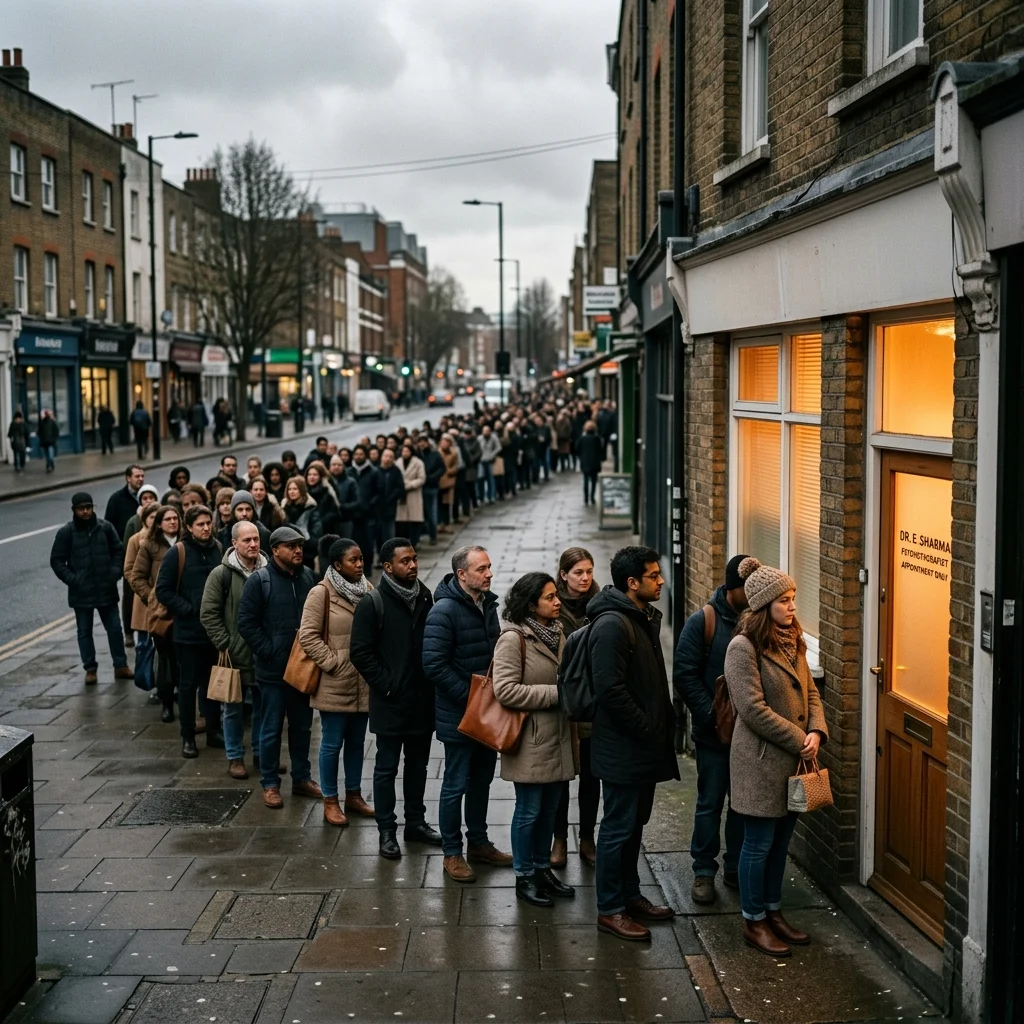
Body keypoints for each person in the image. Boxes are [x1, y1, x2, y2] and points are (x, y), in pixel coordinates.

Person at [724, 558, 828, 956]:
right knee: (758, 844)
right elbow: (751, 708)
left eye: (793, 599)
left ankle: (773, 910)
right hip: (761, 763)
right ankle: (753, 921)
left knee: (781, 843)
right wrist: (799, 737)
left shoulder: (794, 639)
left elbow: (811, 692)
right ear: (764, 605)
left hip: (795, 761)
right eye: (784, 601)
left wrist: (817, 730)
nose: (791, 607)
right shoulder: (742, 647)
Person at [588, 546, 678, 942]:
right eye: (654, 575)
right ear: (632, 583)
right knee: (617, 827)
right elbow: (609, 690)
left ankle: (629, 894)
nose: (661, 581)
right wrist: (645, 727)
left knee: (634, 824)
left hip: (642, 745)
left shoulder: (639, 617)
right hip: (624, 746)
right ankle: (610, 908)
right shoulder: (613, 624)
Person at [423, 545, 511, 882]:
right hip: (460, 717)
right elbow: (433, 665)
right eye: (482, 569)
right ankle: (451, 852)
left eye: (489, 567)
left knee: (482, 781)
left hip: (486, 713)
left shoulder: (487, 605)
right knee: (455, 784)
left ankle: (478, 842)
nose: (489, 574)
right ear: (462, 575)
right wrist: (471, 699)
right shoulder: (443, 612)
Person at [350, 537, 442, 859]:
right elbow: (360, 653)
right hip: (390, 703)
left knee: (418, 767)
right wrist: (387, 686)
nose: (413, 565)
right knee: (386, 769)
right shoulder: (371, 603)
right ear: (388, 567)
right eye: (405, 561)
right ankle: (387, 831)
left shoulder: (425, 596)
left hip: (421, 702)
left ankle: (415, 823)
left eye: (414, 559)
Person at [493, 572, 575, 907]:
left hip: (558, 738)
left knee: (551, 809)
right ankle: (524, 875)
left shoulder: (558, 633)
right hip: (530, 739)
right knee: (529, 810)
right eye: (550, 597)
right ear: (531, 604)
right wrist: (557, 694)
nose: (558, 602)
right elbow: (505, 690)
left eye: (557, 596)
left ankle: (542, 870)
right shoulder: (514, 639)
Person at [674, 553, 750, 905]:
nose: (753, 596)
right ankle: (704, 871)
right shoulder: (703, 621)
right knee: (709, 804)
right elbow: (685, 674)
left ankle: (734, 866)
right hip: (713, 736)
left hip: (749, 737)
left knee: (743, 805)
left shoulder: (758, 620)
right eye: (746, 590)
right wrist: (711, 715)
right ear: (731, 589)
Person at [237, 526, 323, 809]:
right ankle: (270, 784)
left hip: (303, 668)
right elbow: (246, 623)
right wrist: (269, 651)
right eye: (291, 546)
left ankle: (301, 778)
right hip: (273, 672)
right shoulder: (259, 581)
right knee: (271, 728)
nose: (298, 550)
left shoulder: (308, 576)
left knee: (302, 727)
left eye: (300, 545)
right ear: (275, 550)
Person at [298, 538, 375, 826]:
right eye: (353, 561)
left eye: (361, 560)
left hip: (362, 683)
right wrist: (334, 663)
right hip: (335, 682)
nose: (359, 565)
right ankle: (330, 800)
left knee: (356, 742)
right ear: (336, 565)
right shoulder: (321, 593)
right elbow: (308, 636)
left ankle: (353, 796)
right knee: (331, 743)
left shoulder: (367, 589)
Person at [156, 503, 224, 758]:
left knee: (212, 685)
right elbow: (163, 590)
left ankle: (213, 730)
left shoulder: (218, 549)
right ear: (189, 527)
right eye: (200, 524)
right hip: (187, 633)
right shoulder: (178, 552)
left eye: (209, 523)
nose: (206, 528)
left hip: (214, 632)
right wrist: (188, 609)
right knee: (187, 686)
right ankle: (188, 736)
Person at [200, 520, 267, 780]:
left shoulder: (269, 569)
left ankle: (262, 756)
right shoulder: (221, 574)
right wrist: (225, 643)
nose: (253, 544)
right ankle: (235, 757)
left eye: (256, 539)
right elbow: (208, 613)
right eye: (247, 540)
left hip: (264, 654)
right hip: (234, 655)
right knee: (233, 710)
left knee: (264, 709)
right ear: (234, 543)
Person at [551, 547, 601, 869]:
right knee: (560, 776)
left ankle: (586, 837)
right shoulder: (552, 606)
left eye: (589, 571)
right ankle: (558, 839)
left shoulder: (601, 605)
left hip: (594, 702)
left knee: (591, 776)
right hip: (565, 702)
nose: (585, 578)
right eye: (578, 572)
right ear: (563, 575)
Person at [49, 492, 132, 686]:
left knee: (114, 628)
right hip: (81, 591)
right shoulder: (66, 532)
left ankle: (120, 665)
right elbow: (57, 561)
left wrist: (114, 574)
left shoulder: (105, 528)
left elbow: (119, 551)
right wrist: (73, 580)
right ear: (74, 510)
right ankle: (90, 669)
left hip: (106, 588)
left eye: (88, 507)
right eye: (81, 508)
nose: (85, 511)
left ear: (93, 507)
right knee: (84, 631)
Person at [130, 504, 181, 722]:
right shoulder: (149, 545)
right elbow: (136, 576)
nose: (172, 522)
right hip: (161, 612)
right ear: (159, 524)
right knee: (165, 660)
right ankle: (166, 702)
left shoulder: (185, 543)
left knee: (184, 659)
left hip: (184, 609)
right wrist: (152, 597)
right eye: (167, 519)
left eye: (175, 518)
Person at [106, 464, 146, 648]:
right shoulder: (116, 499)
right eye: (137, 476)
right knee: (129, 596)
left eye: (142, 476)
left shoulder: (146, 497)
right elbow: (109, 528)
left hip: (146, 555)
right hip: (127, 554)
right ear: (127, 478)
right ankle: (129, 632)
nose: (140, 479)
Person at [281, 476, 323, 569]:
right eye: (289, 489)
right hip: (287, 553)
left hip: (306, 553)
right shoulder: (284, 508)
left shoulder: (311, 508)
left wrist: (304, 546)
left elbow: (316, 532)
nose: (291, 491)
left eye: (295, 489)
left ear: (301, 490)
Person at [395, 442, 426, 549]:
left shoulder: (418, 463)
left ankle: (415, 541)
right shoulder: (397, 462)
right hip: (402, 495)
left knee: (414, 519)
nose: (405, 453)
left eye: (407, 451)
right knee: (402, 521)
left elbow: (421, 478)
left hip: (413, 493)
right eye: (403, 451)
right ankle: (404, 542)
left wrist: (409, 484)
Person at [416, 435, 444, 545]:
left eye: (424, 442)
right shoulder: (417, 456)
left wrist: (432, 478)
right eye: (420, 442)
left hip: (431, 487)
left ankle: (433, 535)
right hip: (419, 488)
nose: (422, 444)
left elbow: (442, 468)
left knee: (432, 512)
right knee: (420, 514)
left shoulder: (435, 454)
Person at [305, 460, 341, 536]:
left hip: (325, 531)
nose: (312, 477)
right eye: (309, 474)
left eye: (315, 475)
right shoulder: (304, 493)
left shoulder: (327, 493)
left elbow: (334, 513)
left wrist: (320, 522)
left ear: (320, 476)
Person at [576, 420, 603, 506]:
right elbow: (600, 450)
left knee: (586, 480)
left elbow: (577, 449)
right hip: (595, 462)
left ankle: (586, 498)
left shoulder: (582, 438)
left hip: (585, 462)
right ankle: (592, 497)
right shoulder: (597, 438)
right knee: (594, 481)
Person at [437, 435, 458, 534]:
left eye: (446, 442)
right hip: (438, 481)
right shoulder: (437, 453)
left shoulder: (453, 453)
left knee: (446, 504)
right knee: (439, 504)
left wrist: (450, 471)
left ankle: (447, 524)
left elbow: (456, 466)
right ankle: (440, 524)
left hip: (448, 481)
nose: (444, 444)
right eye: (443, 442)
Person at [477, 425, 501, 505]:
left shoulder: (493, 438)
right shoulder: (479, 438)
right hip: (481, 460)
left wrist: (492, 455)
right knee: (481, 479)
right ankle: (481, 497)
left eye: (487, 431)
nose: (485, 432)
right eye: (484, 431)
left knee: (491, 479)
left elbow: (498, 447)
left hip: (490, 460)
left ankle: (491, 496)